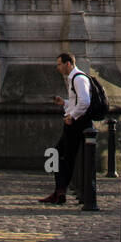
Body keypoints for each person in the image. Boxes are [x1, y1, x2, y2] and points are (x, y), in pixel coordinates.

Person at [39, 52, 93, 205]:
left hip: (75, 125)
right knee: (60, 156)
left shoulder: (79, 78)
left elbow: (85, 102)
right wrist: (64, 103)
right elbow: (78, 102)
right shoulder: (74, 79)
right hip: (73, 124)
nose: (58, 67)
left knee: (62, 156)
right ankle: (59, 191)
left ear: (68, 63)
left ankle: (60, 192)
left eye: (59, 64)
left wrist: (72, 116)